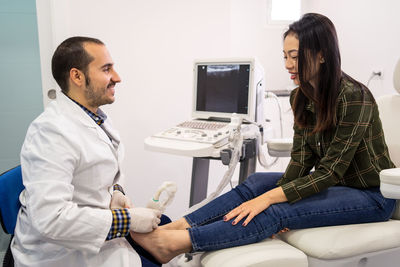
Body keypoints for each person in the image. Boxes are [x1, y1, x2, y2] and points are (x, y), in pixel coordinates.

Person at [130, 13, 397, 264]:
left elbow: (329, 172)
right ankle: (174, 227)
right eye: (285, 56)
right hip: (337, 187)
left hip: (372, 196)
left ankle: (174, 244)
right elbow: (301, 163)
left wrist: (268, 200)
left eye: (295, 56)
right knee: (257, 182)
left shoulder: (354, 96)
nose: (288, 65)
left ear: (322, 55)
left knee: (271, 210)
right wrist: (268, 193)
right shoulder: (300, 96)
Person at [11, 36, 163, 267]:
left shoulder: (94, 115)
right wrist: (127, 220)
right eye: (106, 69)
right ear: (77, 76)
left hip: (93, 229)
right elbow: (51, 219)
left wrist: (116, 191)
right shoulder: (51, 132)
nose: (117, 77)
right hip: (58, 253)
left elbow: (103, 168)